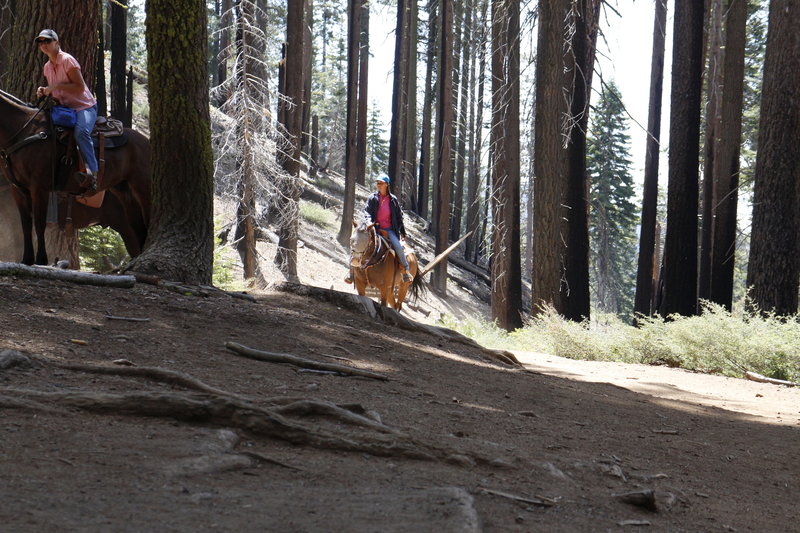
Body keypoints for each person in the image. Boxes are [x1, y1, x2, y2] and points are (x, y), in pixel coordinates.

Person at [35, 29, 98, 191]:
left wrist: (55, 86)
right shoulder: (47, 67)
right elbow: (57, 94)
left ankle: (94, 173)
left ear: (57, 42)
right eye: (41, 42)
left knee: (81, 133)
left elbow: (79, 87)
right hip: (65, 110)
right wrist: (45, 91)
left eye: (47, 41)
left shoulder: (67, 60)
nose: (44, 45)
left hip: (84, 107)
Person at [346, 175, 413, 284]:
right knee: (357, 243)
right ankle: (351, 271)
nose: (378, 185)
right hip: (373, 229)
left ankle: (405, 271)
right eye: (377, 183)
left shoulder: (393, 200)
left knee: (399, 247)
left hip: (389, 230)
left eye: (381, 183)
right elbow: (367, 211)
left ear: (387, 184)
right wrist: (369, 222)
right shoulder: (373, 198)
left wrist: (402, 232)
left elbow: (399, 217)